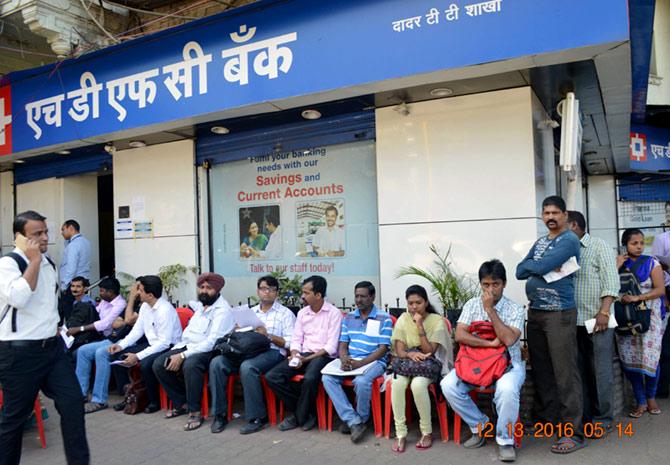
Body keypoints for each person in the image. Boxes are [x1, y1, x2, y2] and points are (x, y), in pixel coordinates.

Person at [0, 210, 90, 465]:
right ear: (20, 237)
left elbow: (51, 303)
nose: (44, 238)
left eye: (45, 232)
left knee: (73, 404)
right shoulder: (9, 264)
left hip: (52, 348)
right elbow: (18, 297)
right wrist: (34, 261)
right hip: (19, 353)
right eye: (36, 234)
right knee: (14, 419)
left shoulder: (48, 261)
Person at [515, 195, 585, 454]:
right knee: (543, 370)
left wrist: (538, 266)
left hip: (559, 314)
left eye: (555, 212)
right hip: (536, 313)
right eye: (546, 213)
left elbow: (541, 265)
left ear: (565, 215)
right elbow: (519, 271)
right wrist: (538, 268)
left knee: (565, 372)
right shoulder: (541, 241)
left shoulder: (569, 240)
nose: (550, 217)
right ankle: (548, 421)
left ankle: (574, 433)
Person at [441, 260, 525, 462]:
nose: (490, 289)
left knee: (506, 390)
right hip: (475, 364)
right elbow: (460, 335)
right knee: (448, 384)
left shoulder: (515, 309)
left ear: (504, 283)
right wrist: (489, 345)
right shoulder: (471, 304)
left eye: (495, 284)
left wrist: (490, 311)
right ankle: (480, 425)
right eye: (486, 285)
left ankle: (505, 441)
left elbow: (508, 339)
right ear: (480, 284)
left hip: (508, 366)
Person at [209, 275, 296, 434]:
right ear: (258, 291)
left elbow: (291, 343)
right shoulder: (249, 312)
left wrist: (268, 336)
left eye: (271, 290)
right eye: (263, 289)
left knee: (248, 367)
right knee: (217, 363)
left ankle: (257, 418)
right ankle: (220, 415)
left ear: (277, 293)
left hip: (272, 352)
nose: (267, 293)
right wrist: (238, 330)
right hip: (246, 350)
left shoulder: (285, 314)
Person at [153, 272, 233, 431]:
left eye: (208, 288)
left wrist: (183, 355)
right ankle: (181, 401)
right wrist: (180, 351)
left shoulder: (222, 311)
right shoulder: (202, 307)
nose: (204, 291)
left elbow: (212, 342)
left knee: (190, 365)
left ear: (217, 290)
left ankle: (195, 412)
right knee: (159, 364)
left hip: (211, 350)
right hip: (189, 345)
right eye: (201, 287)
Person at [265, 275, 343, 431]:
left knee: (310, 378)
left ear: (318, 295)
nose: (302, 296)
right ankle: (307, 413)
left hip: (322, 356)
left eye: (306, 293)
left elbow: (331, 347)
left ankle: (298, 417)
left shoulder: (333, 313)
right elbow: (296, 339)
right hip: (302, 354)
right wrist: (294, 354)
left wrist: (305, 360)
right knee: (272, 377)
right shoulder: (302, 313)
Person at [568, 211, 619, 431]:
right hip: (573, 322)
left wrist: (604, 312)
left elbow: (611, 281)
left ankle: (604, 420)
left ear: (575, 226)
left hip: (597, 321)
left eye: (563, 226)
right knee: (580, 372)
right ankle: (586, 418)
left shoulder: (599, 246)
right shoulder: (566, 250)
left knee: (601, 371)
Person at [322, 281, 392, 443]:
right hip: (353, 360)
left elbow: (382, 349)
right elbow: (343, 344)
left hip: (374, 361)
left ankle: (360, 419)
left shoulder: (384, 318)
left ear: (372, 297)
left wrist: (360, 364)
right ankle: (354, 421)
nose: (359, 300)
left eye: (363, 296)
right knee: (327, 378)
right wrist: (344, 359)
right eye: (357, 296)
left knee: (361, 382)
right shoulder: (349, 318)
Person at [390, 284, 452, 453]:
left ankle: (426, 432)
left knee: (418, 385)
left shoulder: (436, 321)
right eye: (410, 303)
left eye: (418, 302)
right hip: (407, 362)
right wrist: (410, 355)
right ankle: (400, 433)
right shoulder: (403, 319)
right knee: (397, 383)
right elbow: (399, 350)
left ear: (425, 302)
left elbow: (429, 351)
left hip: (427, 364)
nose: (414, 307)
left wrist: (419, 326)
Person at [108, 275, 182, 413]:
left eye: (140, 290)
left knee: (147, 364)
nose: (137, 293)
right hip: (153, 344)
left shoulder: (165, 310)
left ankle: (153, 401)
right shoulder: (145, 307)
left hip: (168, 346)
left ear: (150, 294)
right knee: (118, 356)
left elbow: (164, 343)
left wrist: (137, 356)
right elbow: (137, 331)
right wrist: (121, 345)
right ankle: (130, 396)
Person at [616, 228, 667, 418]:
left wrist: (638, 297)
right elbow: (610, 286)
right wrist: (616, 266)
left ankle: (651, 397)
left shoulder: (652, 262)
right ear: (625, 245)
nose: (638, 247)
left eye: (641, 243)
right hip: (626, 316)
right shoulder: (619, 263)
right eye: (633, 243)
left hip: (649, 315)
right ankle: (640, 400)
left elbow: (660, 289)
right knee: (630, 357)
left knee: (651, 356)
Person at [74, 277, 129, 414]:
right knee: (83, 351)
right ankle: (80, 393)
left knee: (101, 353)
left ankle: (99, 400)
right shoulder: (105, 302)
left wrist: (80, 329)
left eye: (102, 291)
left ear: (110, 292)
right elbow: (96, 314)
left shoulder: (120, 305)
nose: (100, 293)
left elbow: (105, 324)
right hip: (107, 338)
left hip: (119, 339)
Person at [58, 219, 92, 323]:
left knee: (70, 315)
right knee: (81, 313)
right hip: (84, 283)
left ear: (71, 228)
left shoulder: (73, 245)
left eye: (63, 229)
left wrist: (64, 286)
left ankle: (71, 337)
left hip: (73, 285)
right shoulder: (86, 242)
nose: (62, 233)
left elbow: (71, 268)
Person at [651, 227, 670, 397]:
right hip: (667, 291)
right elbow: (655, 265)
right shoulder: (662, 239)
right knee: (666, 345)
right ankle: (663, 389)